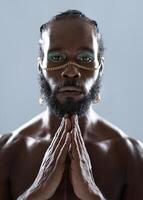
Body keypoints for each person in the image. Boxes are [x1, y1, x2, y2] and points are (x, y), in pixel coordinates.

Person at [0, 9, 143, 200]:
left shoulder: (132, 157)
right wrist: (35, 193)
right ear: (40, 66)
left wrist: (93, 195)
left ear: (99, 68)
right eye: (57, 58)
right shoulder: (6, 152)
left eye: (85, 58)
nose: (71, 72)